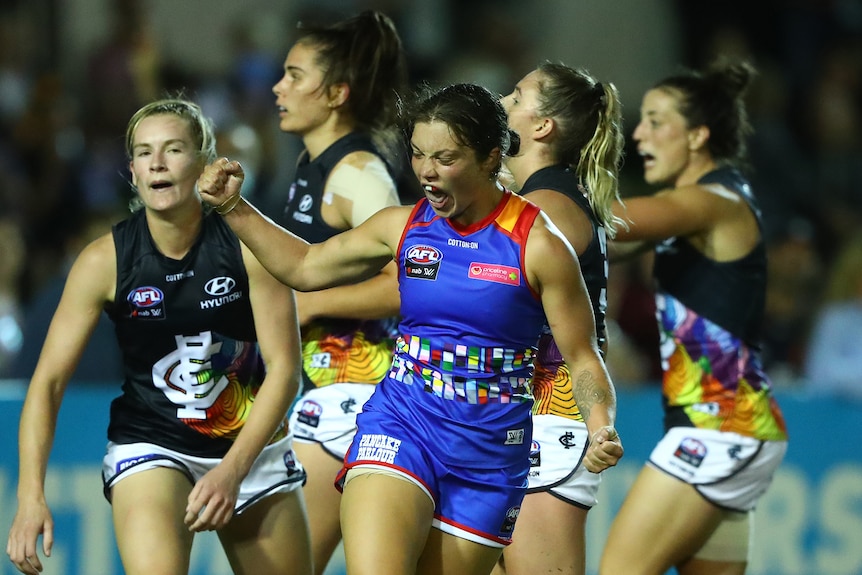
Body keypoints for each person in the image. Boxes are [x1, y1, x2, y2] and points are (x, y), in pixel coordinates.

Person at [197, 82, 623, 575]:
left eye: (445, 158)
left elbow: (582, 355)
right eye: (418, 154)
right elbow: (306, 266)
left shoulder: (540, 246)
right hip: (402, 424)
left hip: (490, 455)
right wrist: (234, 207)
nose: (425, 172)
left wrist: (600, 426)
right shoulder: (402, 226)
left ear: (490, 157)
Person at [5, 98, 312, 575]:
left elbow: (286, 371)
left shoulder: (250, 245)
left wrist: (231, 472)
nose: (158, 163)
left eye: (173, 149)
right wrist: (29, 497)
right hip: (152, 443)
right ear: (132, 171)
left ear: (203, 163)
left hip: (250, 446)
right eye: (145, 153)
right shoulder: (102, 261)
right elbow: (46, 384)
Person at [600, 61, 789, 575]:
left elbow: (603, 223)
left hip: (720, 426)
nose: (639, 133)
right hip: (725, 427)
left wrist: (536, 189)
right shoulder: (699, 205)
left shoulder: (713, 201)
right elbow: (589, 245)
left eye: (657, 121)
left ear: (699, 135)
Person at [269, 10, 421, 574]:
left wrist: (306, 305)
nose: (278, 87)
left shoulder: (355, 172)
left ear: (335, 93)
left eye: (293, 75)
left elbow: (411, 284)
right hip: (323, 394)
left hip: (351, 399)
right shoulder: (314, 167)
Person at [495, 62, 625, 575]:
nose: (502, 101)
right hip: (514, 423)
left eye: (516, 94)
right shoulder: (544, 200)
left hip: (548, 425)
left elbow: (467, 285)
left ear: (542, 126)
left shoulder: (546, 207)